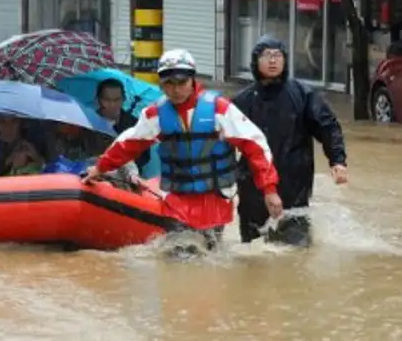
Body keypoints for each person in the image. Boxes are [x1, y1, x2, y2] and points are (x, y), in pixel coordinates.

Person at [83, 49, 282, 250]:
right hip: (176, 199)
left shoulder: (220, 109)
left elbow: (255, 145)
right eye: (169, 83)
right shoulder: (155, 115)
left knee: (209, 254)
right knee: (180, 253)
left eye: (181, 82)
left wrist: (269, 190)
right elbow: (128, 143)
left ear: (192, 80)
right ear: (162, 84)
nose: (176, 90)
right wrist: (100, 168)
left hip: (214, 199)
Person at [231, 36, 348, 247]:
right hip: (253, 189)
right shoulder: (242, 100)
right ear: (255, 61)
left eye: (278, 55)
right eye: (267, 56)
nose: (273, 60)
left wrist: (337, 160)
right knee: (252, 252)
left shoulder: (304, 95)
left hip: (294, 186)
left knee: (295, 251)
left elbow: (327, 126)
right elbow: (224, 142)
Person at [95, 78, 151, 173]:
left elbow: (144, 156)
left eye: (116, 100)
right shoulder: (89, 122)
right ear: (99, 99)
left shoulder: (136, 125)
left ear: (123, 99)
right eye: (107, 100)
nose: (112, 105)